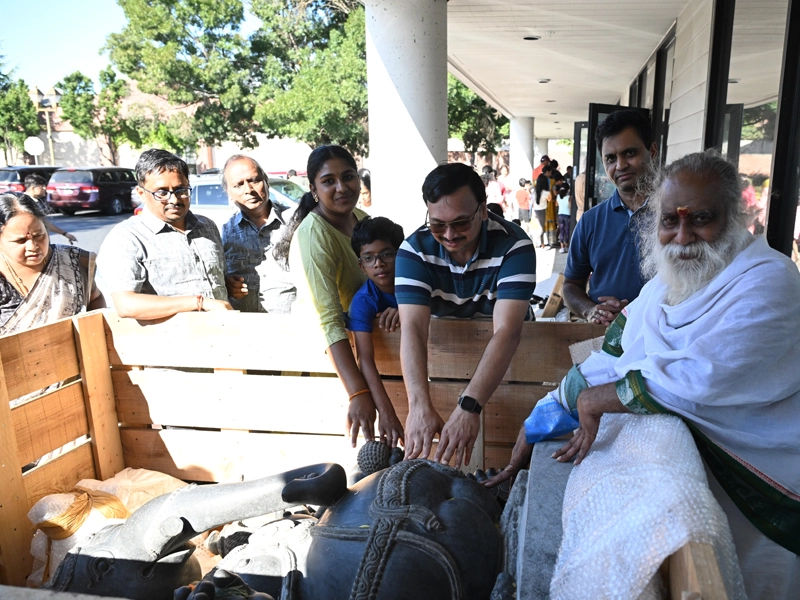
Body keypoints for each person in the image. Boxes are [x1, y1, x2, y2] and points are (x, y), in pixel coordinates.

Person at [487, 151, 800, 599]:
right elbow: (610, 356)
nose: (683, 236)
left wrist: (598, 400)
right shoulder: (660, 289)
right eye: (670, 220)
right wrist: (544, 415)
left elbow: (706, 375)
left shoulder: (771, 281)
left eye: (702, 219)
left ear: (736, 217)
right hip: (695, 484)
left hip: (763, 492)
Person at [394, 162, 537, 468]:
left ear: (483, 210)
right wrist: (418, 404)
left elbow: (507, 332)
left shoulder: (515, 247)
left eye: (461, 223)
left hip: (513, 372)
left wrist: (469, 407)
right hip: (446, 366)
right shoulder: (413, 251)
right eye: (437, 224)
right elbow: (413, 329)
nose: (449, 234)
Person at [274, 145, 391, 448]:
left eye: (348, 176)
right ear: (313, 190)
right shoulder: (314, 236)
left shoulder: (362, 219)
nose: (342, 187)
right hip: (332, 367)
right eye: (328, 181)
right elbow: (327, 320)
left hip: (374, 354)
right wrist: (357, 392)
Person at [96, 149, 231, 319]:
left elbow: (216, 279)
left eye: (181, 189)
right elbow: (126, 305)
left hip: (222, 334)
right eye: (162, 192)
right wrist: (200, 302)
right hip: (168, 342)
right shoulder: (126, 238)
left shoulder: (207, 227)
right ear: (141, 194)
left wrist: (227, 285)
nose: (174, 200)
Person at [563, 109, 657, 326]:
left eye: (630, 153)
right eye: (611, 158)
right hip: (604, 340)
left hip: (662, 339)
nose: (620, 165)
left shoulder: (677, 218)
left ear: (652, 151)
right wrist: (590, 311)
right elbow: (571, 285)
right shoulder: (590, 221)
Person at [0, 193, 104, 336]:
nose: (33, 246)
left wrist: (94, 334)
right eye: (20, 241)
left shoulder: (74, 261)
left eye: (39, 235)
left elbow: (95, 298)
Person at [346, 216, 406, 448]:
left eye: (387, 254)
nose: (378, 264)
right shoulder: (363, 301)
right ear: (361, 265)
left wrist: (408, 309)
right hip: (395, 383)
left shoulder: (419, 282)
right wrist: (386, 413)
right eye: (369, 258)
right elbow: (365, 359)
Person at [221, 155, 296, 313]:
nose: (248, 190)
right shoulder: (225, 231)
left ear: (266, 181)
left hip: (290, 325)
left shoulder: (296, 221)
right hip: (245, 327)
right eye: (238, 185)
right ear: (228, 192)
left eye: (254, 180)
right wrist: (227, 283)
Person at [24, 174, 77, 244]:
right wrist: (64, 233)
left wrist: (64, 233)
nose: (45, 188)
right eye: (42, 186)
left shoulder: (35, 201)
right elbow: (43, 223)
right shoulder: (25, 203)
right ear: (33, 188)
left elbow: (44, 222)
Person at [532, 164, 553, 248]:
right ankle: (534, 242)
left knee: (538, 226)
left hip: (536, 210)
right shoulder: (546, 193)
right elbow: (550, 199)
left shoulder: (535, 191)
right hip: (542, 210)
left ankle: (542, 243)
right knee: (541, 228)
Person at [556, 184, 571, 253]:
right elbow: (570, 206)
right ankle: (567, 246)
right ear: (567, 190)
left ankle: (562, 247)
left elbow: (557, 204)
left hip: (560, 215)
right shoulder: (569, 197)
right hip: (567, 215)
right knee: (567, 230)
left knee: (562, 230)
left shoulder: (558, 196)